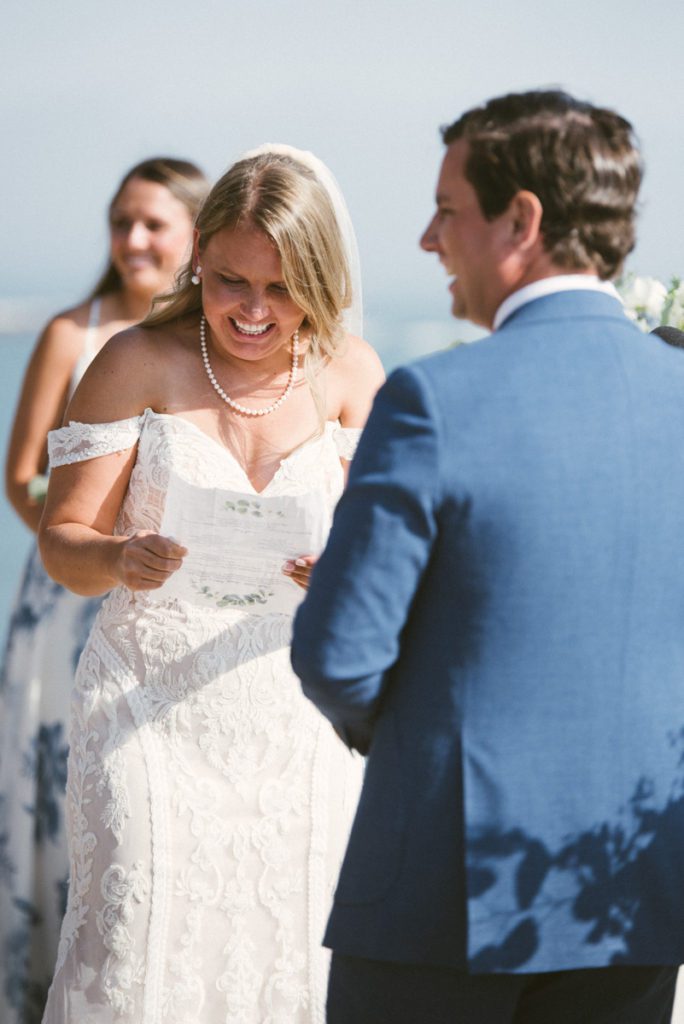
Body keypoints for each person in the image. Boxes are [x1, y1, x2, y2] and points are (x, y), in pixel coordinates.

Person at [292, 90, 684, 1024]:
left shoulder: (435, 399)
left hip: (444, 887)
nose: (429, 239)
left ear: (523, 220)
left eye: (447, 209)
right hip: (636, 886)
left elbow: (337, 656)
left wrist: (427, 732)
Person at [37, 145, 384, 1023]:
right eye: (232, 281)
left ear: (320, 276)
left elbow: (386, 557)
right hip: (146, 712)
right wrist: (119, 558)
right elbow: (62, 543)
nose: (255, 311)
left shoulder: (353, 379)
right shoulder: (134, 360)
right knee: (137, 953)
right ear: (199, 261)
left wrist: (338, 573)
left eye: (281, 286)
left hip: (297, 721)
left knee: (289, 956)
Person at [0, 156, 208, 1024]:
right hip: (66, 604)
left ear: (197, 235)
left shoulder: (206, 342)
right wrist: (96, 527)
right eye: (122, 221)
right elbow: (21, 479)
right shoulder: (69, 333)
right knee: (64, 786)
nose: (132, 240)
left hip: (169, 603)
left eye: (154, 224)